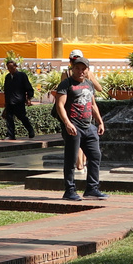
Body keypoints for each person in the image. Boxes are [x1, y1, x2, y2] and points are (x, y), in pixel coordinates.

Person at [53, 49, 106, 201]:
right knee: (70, 159)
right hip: (73, 126)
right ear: (73, 69)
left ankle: (92, 188)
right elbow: (60, 105)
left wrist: (100, 121)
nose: (81, 71)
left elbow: (93, 104)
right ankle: (69, 190)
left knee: (95, 156)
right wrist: (67, 123)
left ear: (87, 70)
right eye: (78, 68)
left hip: (89, 127)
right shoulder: (66, 84)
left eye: (84, 69)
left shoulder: (89, 84)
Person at [2, 59, 35, 140]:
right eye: (8, 68)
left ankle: (30, 130)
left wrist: (29, 98)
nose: (10, 69)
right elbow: (6, 90)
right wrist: (6, 103)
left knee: (22, 117)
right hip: (10, 102)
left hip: (19, 101)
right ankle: (11, 135)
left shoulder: (22, 75)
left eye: (11, 67)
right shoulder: (7, 77)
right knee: (9, 119)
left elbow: (28, 87)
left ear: (15, 67)